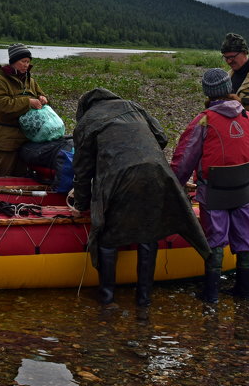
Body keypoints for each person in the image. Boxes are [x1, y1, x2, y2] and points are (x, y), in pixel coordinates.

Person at [70, 87, 211, 307]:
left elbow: (82, 170)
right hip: (156, 173)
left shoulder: (87, 121)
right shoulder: (132, 106)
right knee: (149, 234)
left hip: (119, 178)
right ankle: (143, 300)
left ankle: (107, 300)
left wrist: (80, 204)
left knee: (107, 239)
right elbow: (162, 138)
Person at [171, 68, 249, 301]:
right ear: (228, 89)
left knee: (215, 240)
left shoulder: (203, 120)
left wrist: (174, 186)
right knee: (245, 238)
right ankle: (244, 293)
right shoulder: (248, 117)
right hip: (244, 192)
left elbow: (184, 159)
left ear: (208, 92)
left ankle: (210, 295)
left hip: (214, 193)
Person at [0, 43, 49, 177]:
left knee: (21, 177)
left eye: (28, 61)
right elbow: (1, 106)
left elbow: (41, 95)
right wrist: (28, 102)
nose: (26, 65)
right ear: (13, 62)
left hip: (26, 140)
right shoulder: (0, 80)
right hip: (6, 140)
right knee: (2, 176)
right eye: (23, 61)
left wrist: (43, 98)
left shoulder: (30, 80)